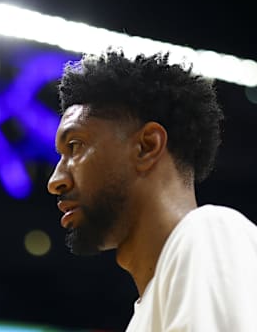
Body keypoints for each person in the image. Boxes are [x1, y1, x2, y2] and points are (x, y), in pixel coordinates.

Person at [47, 50, 257, 331]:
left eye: (75, 146)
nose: (55, 180)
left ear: (147, 146)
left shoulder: (208, 233)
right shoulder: (144, 315)